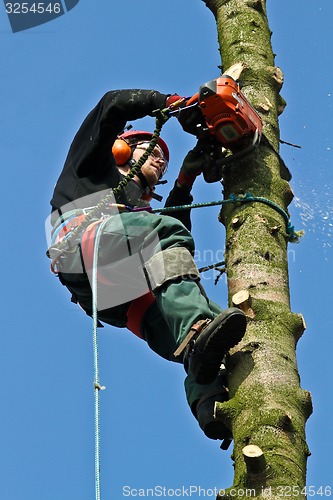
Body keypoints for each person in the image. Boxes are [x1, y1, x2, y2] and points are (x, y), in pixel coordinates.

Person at [47, 88, 247, 444]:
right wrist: (172, 104)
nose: (159, 159)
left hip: (119, 297)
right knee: (167, 245)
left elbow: (173, 249)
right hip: (83, 248)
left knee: (221, 321)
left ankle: (211, 403)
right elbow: (111, 102)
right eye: (152, 150)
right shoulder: (91, 168)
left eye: (164, 160)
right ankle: (196, 333)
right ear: (122, 149)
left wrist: (185, 179)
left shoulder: (140, 215)